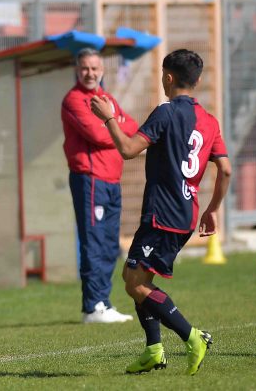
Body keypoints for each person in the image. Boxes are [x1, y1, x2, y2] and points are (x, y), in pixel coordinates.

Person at [91, 49, 232, 375]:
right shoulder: (210, 121)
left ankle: (193, 336)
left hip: (162, 214)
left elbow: (128, 149)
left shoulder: (166, 112)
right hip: (186, 213)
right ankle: (154, 349)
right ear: (197, 80)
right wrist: (212, 209)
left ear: (168, 77)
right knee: (135, 276)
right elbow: (225, 170)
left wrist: (108, 118)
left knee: (135, 284)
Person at [61, 47, 138, 323]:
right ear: (77, 70)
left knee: (108, 244)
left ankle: (104, 302)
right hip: (90, 180)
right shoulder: (74, 100)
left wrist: (113, 123)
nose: (90, 73)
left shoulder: (106, 98)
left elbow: (133, 125)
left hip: (112, 180)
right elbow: (98, 135)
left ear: (102, 70)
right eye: (85, 68)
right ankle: (92, 306)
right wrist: (114, 125)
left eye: (94, 68)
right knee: (93, 242)